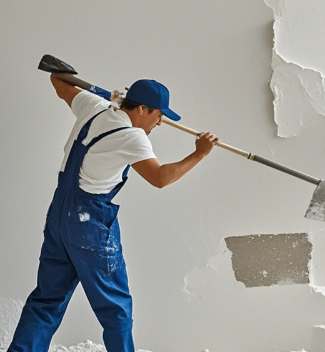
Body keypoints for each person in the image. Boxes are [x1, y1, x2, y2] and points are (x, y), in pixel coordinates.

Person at [8, 74, 217, 352]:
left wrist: (106, 96)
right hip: (89, 225)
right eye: (158, 114)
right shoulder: (132, 137)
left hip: (59, 216)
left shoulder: (92, 107)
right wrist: (199, 154)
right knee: (115, 308)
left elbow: (59, 81)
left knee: (47, 299)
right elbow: (160, 178)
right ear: (142, 109)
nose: (160, 122)